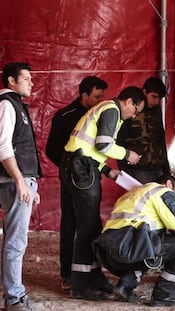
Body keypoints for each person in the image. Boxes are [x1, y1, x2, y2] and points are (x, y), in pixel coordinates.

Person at [59, 86, 145, 301]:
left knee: (91, 226)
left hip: (80, 165)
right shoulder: (112, 110)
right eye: (135, 110)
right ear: (128, 102)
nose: (133, 116)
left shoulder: (106, 110)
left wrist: (107, 170)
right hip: (81, 169)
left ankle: (94, 276)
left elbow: (90, 148)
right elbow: (104, 144)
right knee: (88, 227)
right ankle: (79, 285)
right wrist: (127, 154)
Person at [93, 175, 175, 307]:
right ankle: (164, 294)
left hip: (110, 254)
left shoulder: (134, 193)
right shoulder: (162, 191)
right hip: (131, 247)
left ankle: (124, 285)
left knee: (152, 246)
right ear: (169, 184)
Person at [45, 76, 108, 290]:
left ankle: (91, 272)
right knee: (69, 225)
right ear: (84, 95)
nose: (101, 101)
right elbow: (51, 150)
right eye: (97, 96)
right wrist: (70, 169)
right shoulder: (65, 116)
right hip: (71, 180)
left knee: (90, 225)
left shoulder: (98, 116)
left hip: (92, 179)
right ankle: (67, 274)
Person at [0, 62, 42, 311]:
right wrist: (19, 181)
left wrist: (30, 184)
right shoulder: (7, 105)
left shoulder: (16, 106)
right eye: (26, 78)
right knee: (16, 242)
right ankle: (14, 298)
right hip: (11, 182)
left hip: (19, 182)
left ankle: (14, 294)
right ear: (11, 81)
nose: (31, 82)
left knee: (14, 241)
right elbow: (3, 146)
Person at [117, 77, 169, 183]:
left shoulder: (156, 110)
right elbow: (119, 139)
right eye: (154, 96)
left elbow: (161, 139)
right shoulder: (130, 109)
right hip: (138, 168)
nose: (156, 101)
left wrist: (166, 168)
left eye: (159, 98)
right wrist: (124, 169)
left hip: (157, 166)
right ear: (144, 91)